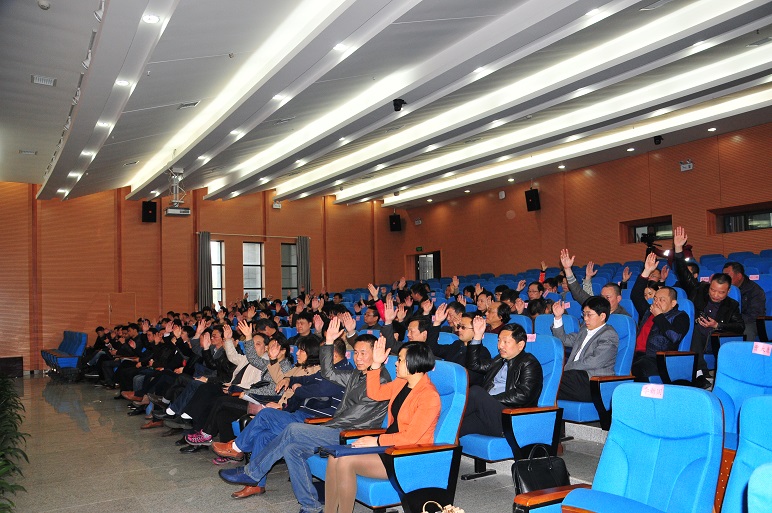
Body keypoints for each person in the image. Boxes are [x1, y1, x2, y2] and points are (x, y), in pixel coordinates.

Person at [218, 317, 391, 513]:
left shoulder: (381, 380)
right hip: (338, 428)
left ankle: (252, 472)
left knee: (293, 429)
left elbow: (355, 419)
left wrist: (324, 426)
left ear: (377, 355)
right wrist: (328, 342)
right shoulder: (356, 375)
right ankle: (310, 506)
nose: (358, 358)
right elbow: (328, 373)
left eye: (363, 353)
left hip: (352, 435)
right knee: (292, 449)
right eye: (356, 353)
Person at [323, 338, 440, 513]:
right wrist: (376, 365)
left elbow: (411, 437)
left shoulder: (429, 396)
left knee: (345, 461)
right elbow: (375, 393)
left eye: (400, 360)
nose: (395, 363)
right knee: (334, 457)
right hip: (388, 446)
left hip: (405, 454)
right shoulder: (402, 383)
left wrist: (377, 441)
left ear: (413, 362)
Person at [673, 226, 744, 388]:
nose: (715, 295)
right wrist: (678, 249)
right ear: (709, 285)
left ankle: (699, 372)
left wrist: (717, 325)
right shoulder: (699, 290)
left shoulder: (731, 304)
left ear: (728, 291)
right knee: (692, 328)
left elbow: (740, 326)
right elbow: (684, 274)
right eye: (713, 290)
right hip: (694, 332)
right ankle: (697, 372)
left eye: (721, 292)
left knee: (697, 331)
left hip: (713, 337)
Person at [460, 318, 542, 437]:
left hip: (509, 417)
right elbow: (474, 365)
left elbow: (523, 395)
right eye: (499, 341)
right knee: (453, 428)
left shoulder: (529, 363)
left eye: (505, 342)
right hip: (488, 413)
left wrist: (489, 400)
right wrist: (477, 336)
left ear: (520, 345)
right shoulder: (499, 360)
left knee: (476, 391)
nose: (500, 346)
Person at [630, 253, 690, 381]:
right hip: (637, 356)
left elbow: (674, 337)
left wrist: (659, 316)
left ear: (673, 303)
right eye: (655, 298)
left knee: (638, 367)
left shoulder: (680, 316)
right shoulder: (648, 311)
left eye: (662, 300)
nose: (656, 302)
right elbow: (635, 295)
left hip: (657, 359)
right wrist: (646, 271)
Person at [551, 296, 618, 402]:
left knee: (550, 380)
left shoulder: (609, 334)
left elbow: (593, 362)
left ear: (602, 316)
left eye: (589, 314)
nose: (585, 318)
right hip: (575, 377)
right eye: (584, 314)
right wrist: (558, 317)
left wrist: (564, 369)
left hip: (592, 382)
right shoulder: (584, 330)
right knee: (544, 380)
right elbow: (563, 340)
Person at [559, 249, 631, 317]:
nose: (603, 300)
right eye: (602, 297)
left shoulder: (624, 318)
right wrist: (567, 269)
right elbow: (577, 292)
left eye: (608, 297)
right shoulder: (596, 305)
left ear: (618, 299)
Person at [722, 261, 766, 342]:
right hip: (732, 320)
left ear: (739, 276)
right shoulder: (725, 289)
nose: (725, 279)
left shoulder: (755, 291)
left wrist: (734, 319)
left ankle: (745, 350)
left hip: (750, 322)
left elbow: (755, 315)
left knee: (746, 330)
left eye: (727, 275)